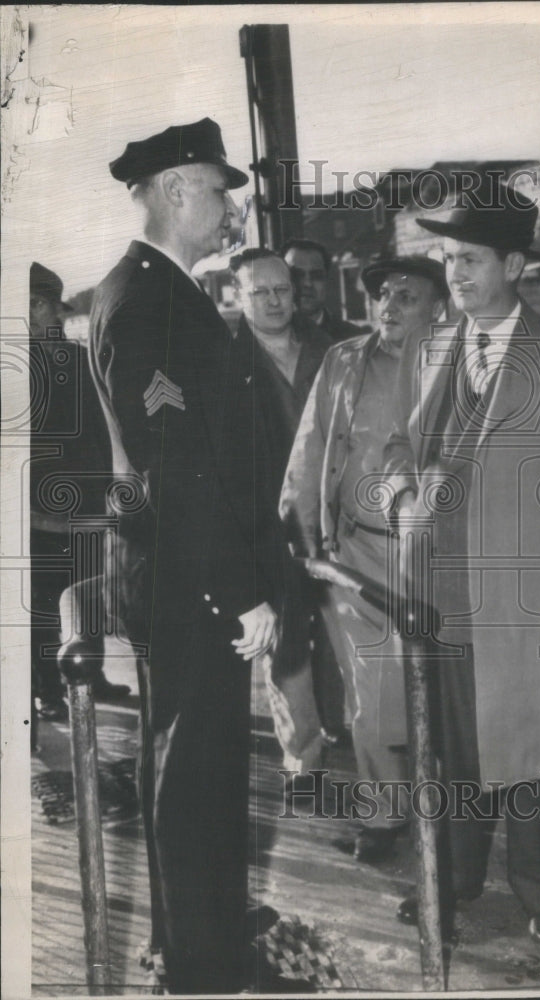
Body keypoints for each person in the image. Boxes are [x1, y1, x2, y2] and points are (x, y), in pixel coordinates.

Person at [384, 174, 540, 948]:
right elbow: (397, 450)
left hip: (529, 605)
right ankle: (448, 885)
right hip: (439, 598)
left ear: (515, 266)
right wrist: (396, 501)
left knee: (539, 761)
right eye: (447, 259)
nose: (453, 274)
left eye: (472, 260)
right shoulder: (432, 350)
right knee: (451, 755)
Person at [89, 120, 296, 994]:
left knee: (189, 769)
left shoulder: (152, 291)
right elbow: (177, 467)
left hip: (177, 573)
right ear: (177, 190)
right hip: (190, 579)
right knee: (196, 777)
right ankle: (205, 974)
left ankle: (198, 945)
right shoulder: (149, 303)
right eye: (221, 192)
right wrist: (240, 591)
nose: (231, 211)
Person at [280, 255, 449, 862]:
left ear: (439, 306)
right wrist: (302, 537)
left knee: (436, 692)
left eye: (407, 295)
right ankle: (383, 813)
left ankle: (443, 816)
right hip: (351, 554)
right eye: (382, 294)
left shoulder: (458, 366)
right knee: (370, 694)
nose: (389, 305)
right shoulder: (342, 360)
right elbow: (310, 447)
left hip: (433, 559)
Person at [231, 247, 334, 784]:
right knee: (289, 645)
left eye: (282, 290)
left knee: (347, 638)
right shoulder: (224, 363)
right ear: (238, 296)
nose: (273, 301)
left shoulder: (332, 350)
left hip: (337, 520)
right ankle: (304, 760)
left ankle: (362, 748)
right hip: (269, 528)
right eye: (260, 292)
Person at [29, 262, 130, 731]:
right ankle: (47, 691)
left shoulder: (78, 357)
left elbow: (104, 427)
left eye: (41, 305)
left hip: (87, 503)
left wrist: (109, 492)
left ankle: (94, 676)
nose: (37, 315)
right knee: (42, 606)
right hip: (35, 510)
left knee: (89, 595)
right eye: (30, 305)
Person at [281, 237, 366, 342]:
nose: (307, 283)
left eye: (316, 276)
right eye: (297, 275)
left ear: (327, 281)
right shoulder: (263, 339)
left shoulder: (355, 339)